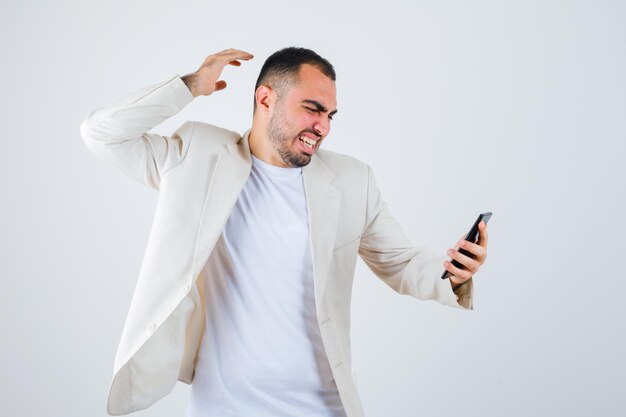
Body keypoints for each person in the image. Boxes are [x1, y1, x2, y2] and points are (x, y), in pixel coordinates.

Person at [80, 47, 489, 417]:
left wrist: (452, 271)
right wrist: (190, 86)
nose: (323, 126)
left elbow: (399, 262)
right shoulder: (196, 156)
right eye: (312, 109)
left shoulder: (350, 180)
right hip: (223, 406)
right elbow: (102, 134)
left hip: (323, 407)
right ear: (265, 99)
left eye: (329, 115)